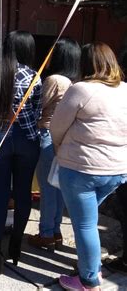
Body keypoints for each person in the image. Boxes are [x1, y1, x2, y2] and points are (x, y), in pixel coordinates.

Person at [51, 42, 127, 290]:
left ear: (85, 64)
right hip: (116, 170)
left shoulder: (80, 90)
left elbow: (56, 127)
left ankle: (89, 280)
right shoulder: (125, 90)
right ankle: (89, 266)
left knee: (85, 225)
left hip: (81, 169)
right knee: (88, 219)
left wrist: (60, 148)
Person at [0, 30, 42, 274]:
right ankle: (16, 245)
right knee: (23, 191)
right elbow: (37, 110)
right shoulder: (34, 76)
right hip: (26, 139)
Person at [28, 38, 81, 251]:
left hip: (47, 135)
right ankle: (55, 230)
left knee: (47, 188)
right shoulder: (75, 82)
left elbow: (36, 107)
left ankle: (46, 232)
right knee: (57, 187)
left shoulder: (55, 80)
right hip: (65, 139)